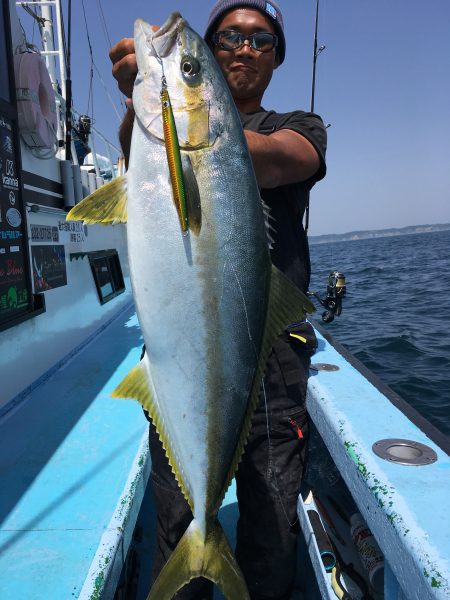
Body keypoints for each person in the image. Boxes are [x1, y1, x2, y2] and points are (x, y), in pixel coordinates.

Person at [109, 1, 327, 598]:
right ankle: (194, 553)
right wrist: (143, 104)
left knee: (272, 522)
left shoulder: (300, 127)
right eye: (230, 36)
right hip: (182, 357)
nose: (244, 48)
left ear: (278, 56)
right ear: (215, 43)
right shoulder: (164, 139)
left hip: (277, 355)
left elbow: (286, 162)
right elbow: (138, 158)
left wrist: (192, 126)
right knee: (176, 516)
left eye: (261, 40)